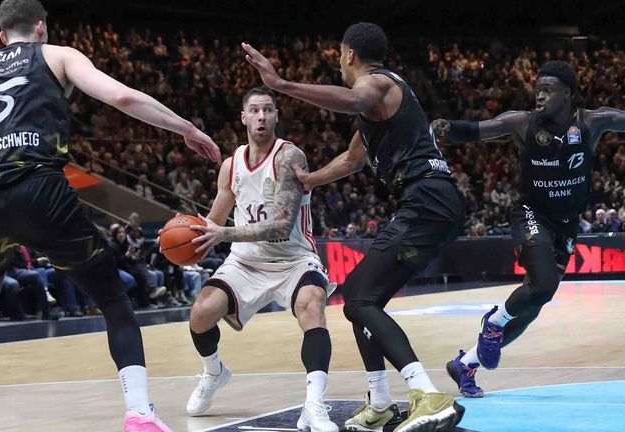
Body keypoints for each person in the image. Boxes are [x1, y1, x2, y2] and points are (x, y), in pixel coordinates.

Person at [0, 1, 220, 431]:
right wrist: (187, 128)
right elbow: (122, 96)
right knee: (113, 298)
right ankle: (138, 413)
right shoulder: (58, 55)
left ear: (1, 35)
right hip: (38, 189)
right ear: (40, 28)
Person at [243, 22, 465, 432]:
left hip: (427, 200)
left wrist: (281, 84)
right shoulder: (376, 110)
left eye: (339, 56)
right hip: (431, 202)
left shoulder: (377, 84)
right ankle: (380, 403)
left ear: (349, 55)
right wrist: (309, 181)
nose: (339, 63)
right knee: (361, 297)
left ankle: (427, 394)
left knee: (360, 299)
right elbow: (351, 160)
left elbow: (353, 99)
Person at [431, 60, 625, 398]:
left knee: (533, 305)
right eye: (538, 90)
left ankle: (465, 364)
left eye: (548, 90)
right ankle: (492, 323)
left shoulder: (592, 122)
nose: (540, 96)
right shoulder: (522, 122)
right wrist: (448, 127)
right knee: (544, 285)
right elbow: (477, 130)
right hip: (531, 215)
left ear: (568, 94)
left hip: (565, 227)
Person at [184, 87, 339, 431]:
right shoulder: (231, 165)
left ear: (276, 116)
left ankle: (314, 406)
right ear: (243, 117)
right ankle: (214, 373)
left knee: (312, 304)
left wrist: (223, 234)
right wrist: (188, 240)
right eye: (254, 110)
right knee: (201, 313)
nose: (261, 116)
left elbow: (281, 224)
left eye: (268, 110)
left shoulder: (289, 156)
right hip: (246, 262)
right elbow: (214, 220)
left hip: (293, 259)